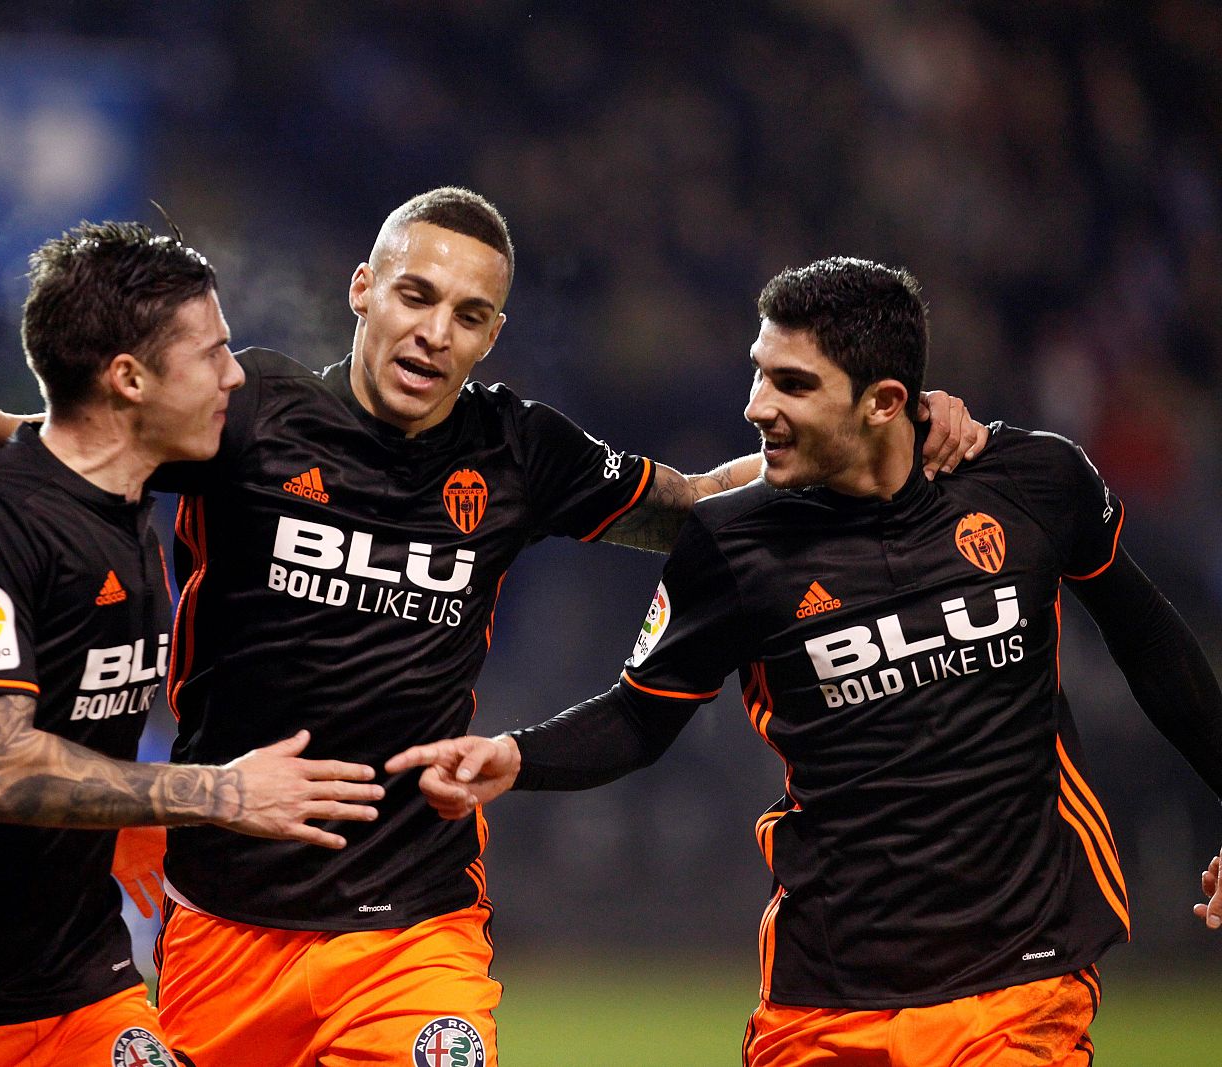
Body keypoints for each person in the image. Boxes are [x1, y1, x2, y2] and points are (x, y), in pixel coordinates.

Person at [0, 191, 985, 1067]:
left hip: (414, 920)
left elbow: (690, 506)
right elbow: (73, 435)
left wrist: (881, 425)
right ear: (362, 289)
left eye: (470, 313)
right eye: (415, 296)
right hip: (223, 915)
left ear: (493, 331)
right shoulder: (246, 414)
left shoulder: (518, 449)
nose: (435, 331)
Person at [388, 256, 1222, 1066]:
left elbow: (1152, 644)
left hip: (1021, 979)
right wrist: (517, 755)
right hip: (825, 995)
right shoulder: (733, 544)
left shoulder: (1035, 482)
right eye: (759, 373)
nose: (756, 405)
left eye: (792, 384)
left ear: (885, 401)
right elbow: (642, 713)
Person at [0, 220, 384, 1067]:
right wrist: (216, 793)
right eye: (212, 353)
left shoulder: (129, 502)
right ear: (129, 378)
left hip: (75, 985)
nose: (235, 374)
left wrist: (128, 815)